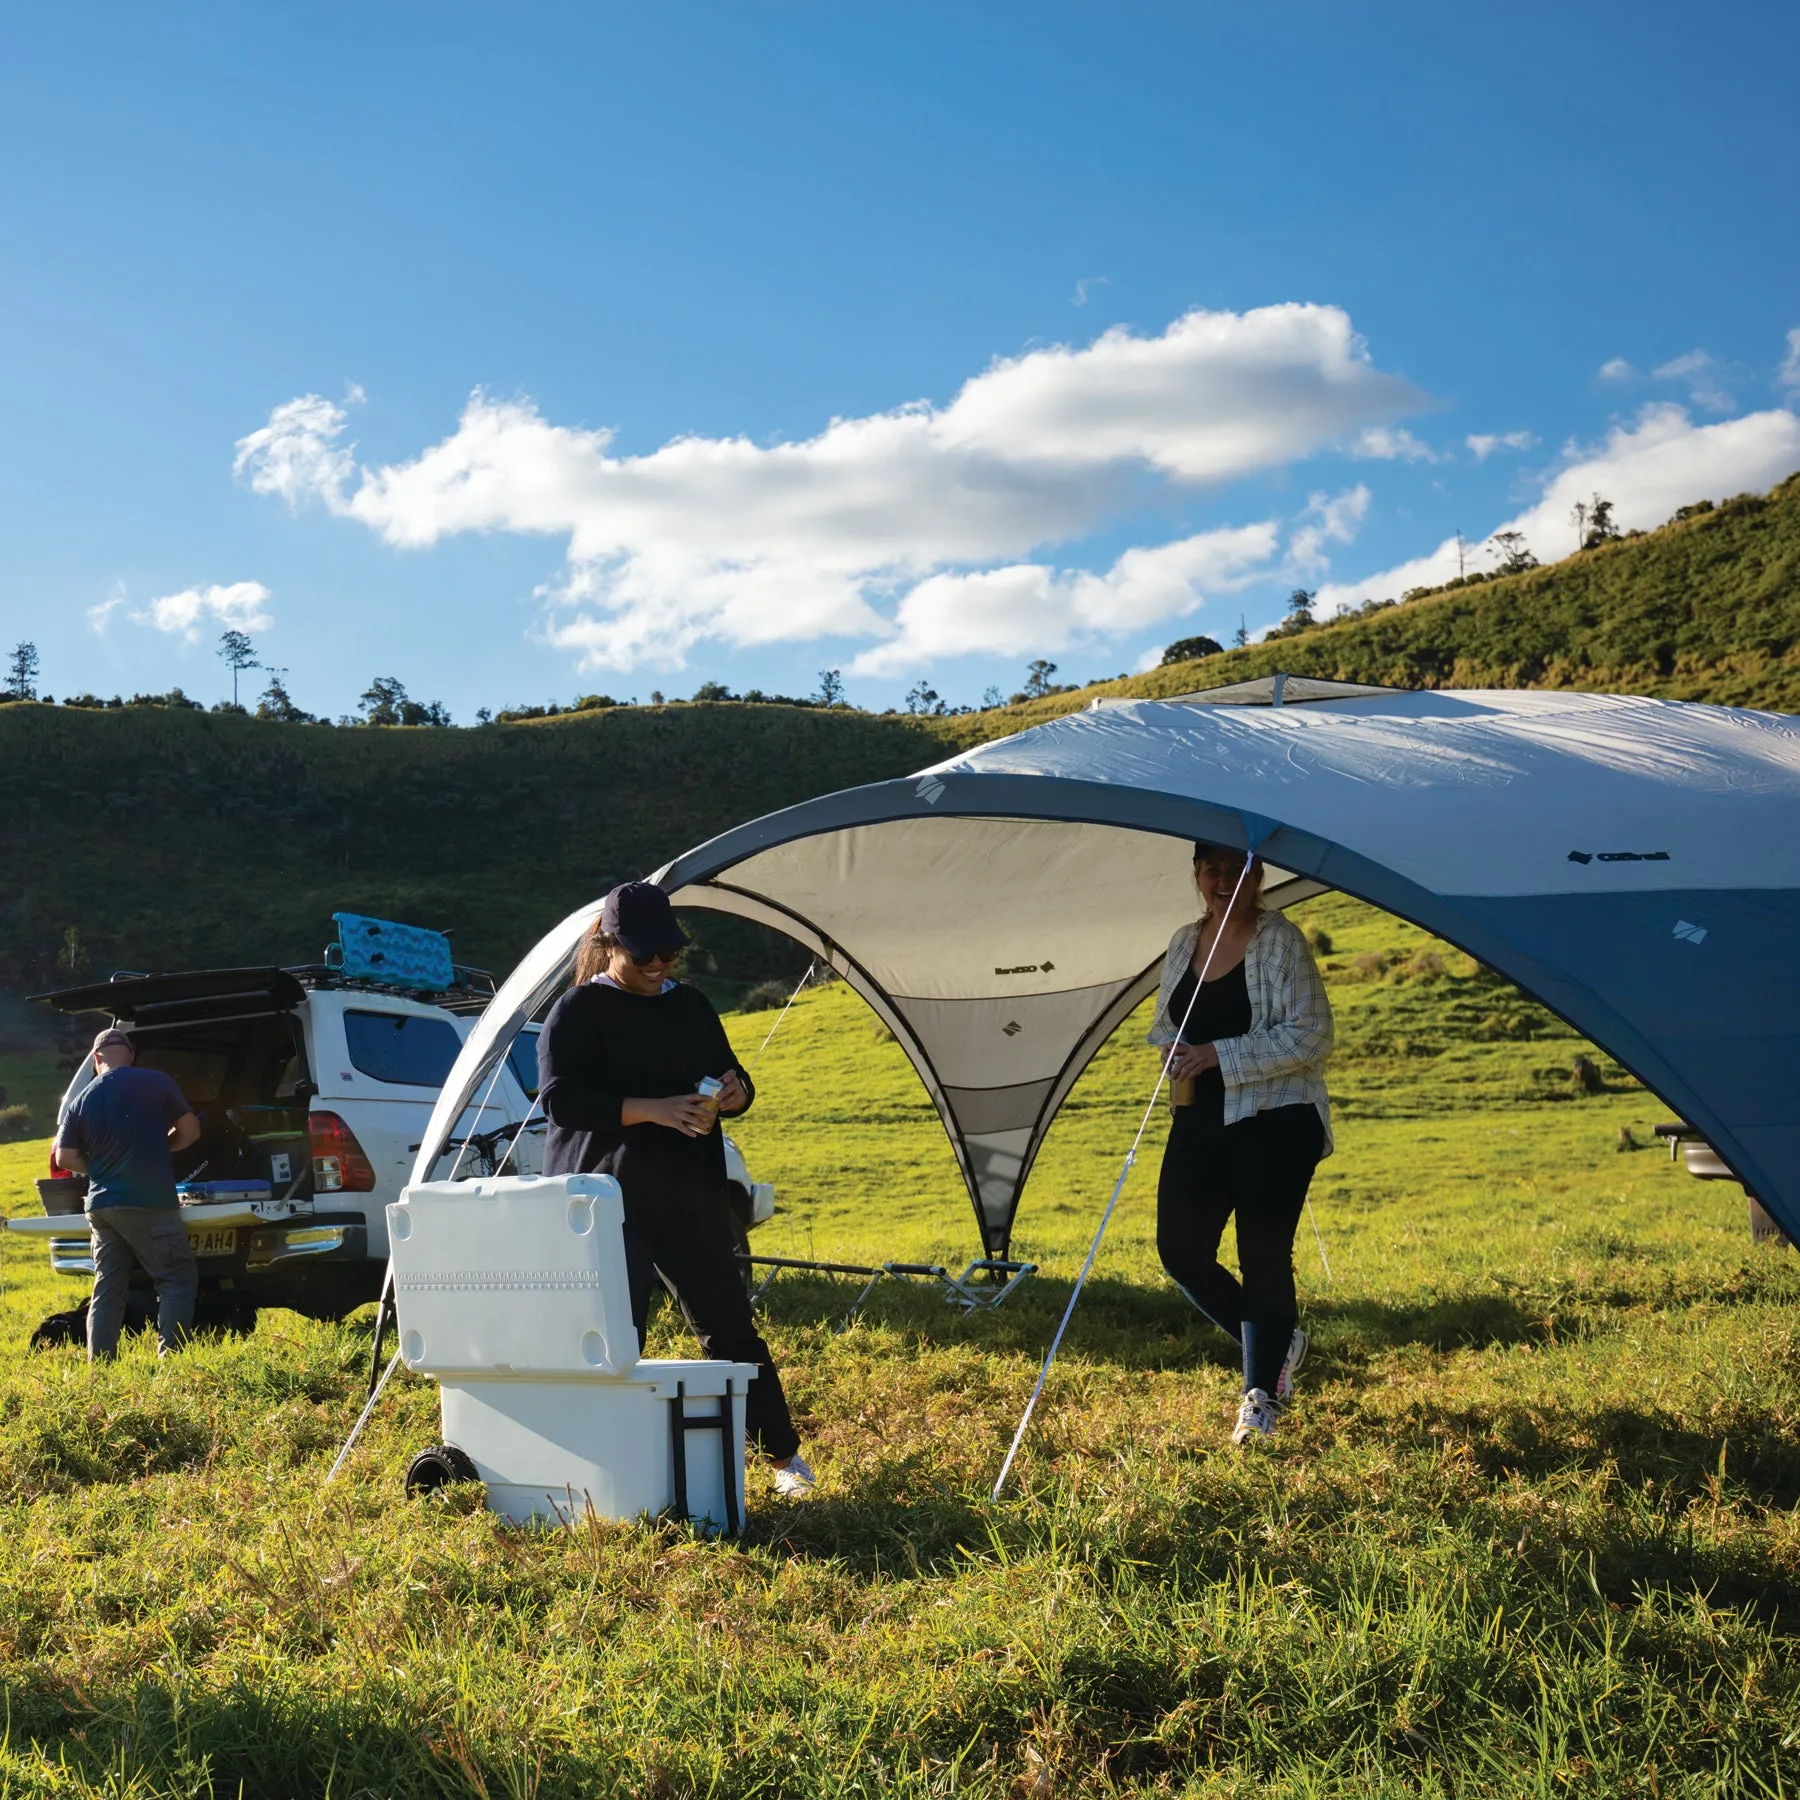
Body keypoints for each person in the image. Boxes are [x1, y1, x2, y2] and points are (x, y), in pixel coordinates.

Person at [538, 880, 817, 1498]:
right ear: (611, 945)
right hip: (608, 1199)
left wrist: (737, 1093)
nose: (659, 967)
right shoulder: (579, 1011)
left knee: (729, 1324)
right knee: (619, 1333)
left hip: (690, 1193)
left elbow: (730, 1072)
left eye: (669, 955)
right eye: (644, 957)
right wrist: (651, 1110)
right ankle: (599, 1472)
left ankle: (784, 1460)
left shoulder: (689, 1004)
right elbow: (562, 1102)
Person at [1149, 841, 1334, 1445]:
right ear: (1197, 876)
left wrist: (1217, 1056)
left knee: (1262, 1255)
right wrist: (1176, 1051)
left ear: (1258, 874)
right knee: (1181, 1251)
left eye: (1237, 870)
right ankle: (1281, 1341)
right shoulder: (1183, 941)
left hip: (1277, 1119)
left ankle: (1261, 1400)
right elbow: (1165, 1022)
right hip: (1199, 1119)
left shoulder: (1281, 942)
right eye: (1214, 871)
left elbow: (1311, 1036)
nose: (1224, 881)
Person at [52, 1027, 202, 1362]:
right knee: (176, 1277)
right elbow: (191, 1131)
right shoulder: (156, 1081)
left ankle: (101, 1368)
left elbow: (64, 1157)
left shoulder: (81, 1099)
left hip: (102, 1207)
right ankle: (172, 1364)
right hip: (148, 1201)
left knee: (108, 1288)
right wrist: (164, 1151)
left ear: (96, 1059)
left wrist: (102, 1171)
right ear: (131, 1056)